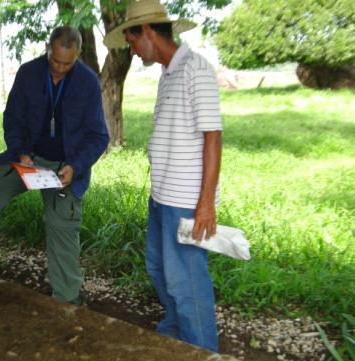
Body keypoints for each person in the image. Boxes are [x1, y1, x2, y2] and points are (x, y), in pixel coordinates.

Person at [0, 26, 109, 306]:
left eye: (69, 63)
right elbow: (13, 118)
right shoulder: (29, 73)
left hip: (64, 167)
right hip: (27, 158)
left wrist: (75, 166)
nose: (61, 68)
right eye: (56, 61)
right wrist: (20, 152)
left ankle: (66, 299)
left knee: (61, 221)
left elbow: (99, 136)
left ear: (78, 55)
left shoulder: (88, 82)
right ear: (47, 49)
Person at [104, 0, 222, 352]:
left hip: (185, 202)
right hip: (162, 197)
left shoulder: (194, 69)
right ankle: (175, 332)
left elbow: (212, 136)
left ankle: (201, 350)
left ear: (149, 32)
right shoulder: (168, 73)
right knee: (158, 268)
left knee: (187, 281)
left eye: (133, 41)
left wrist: (205, 203)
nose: (133, 50)